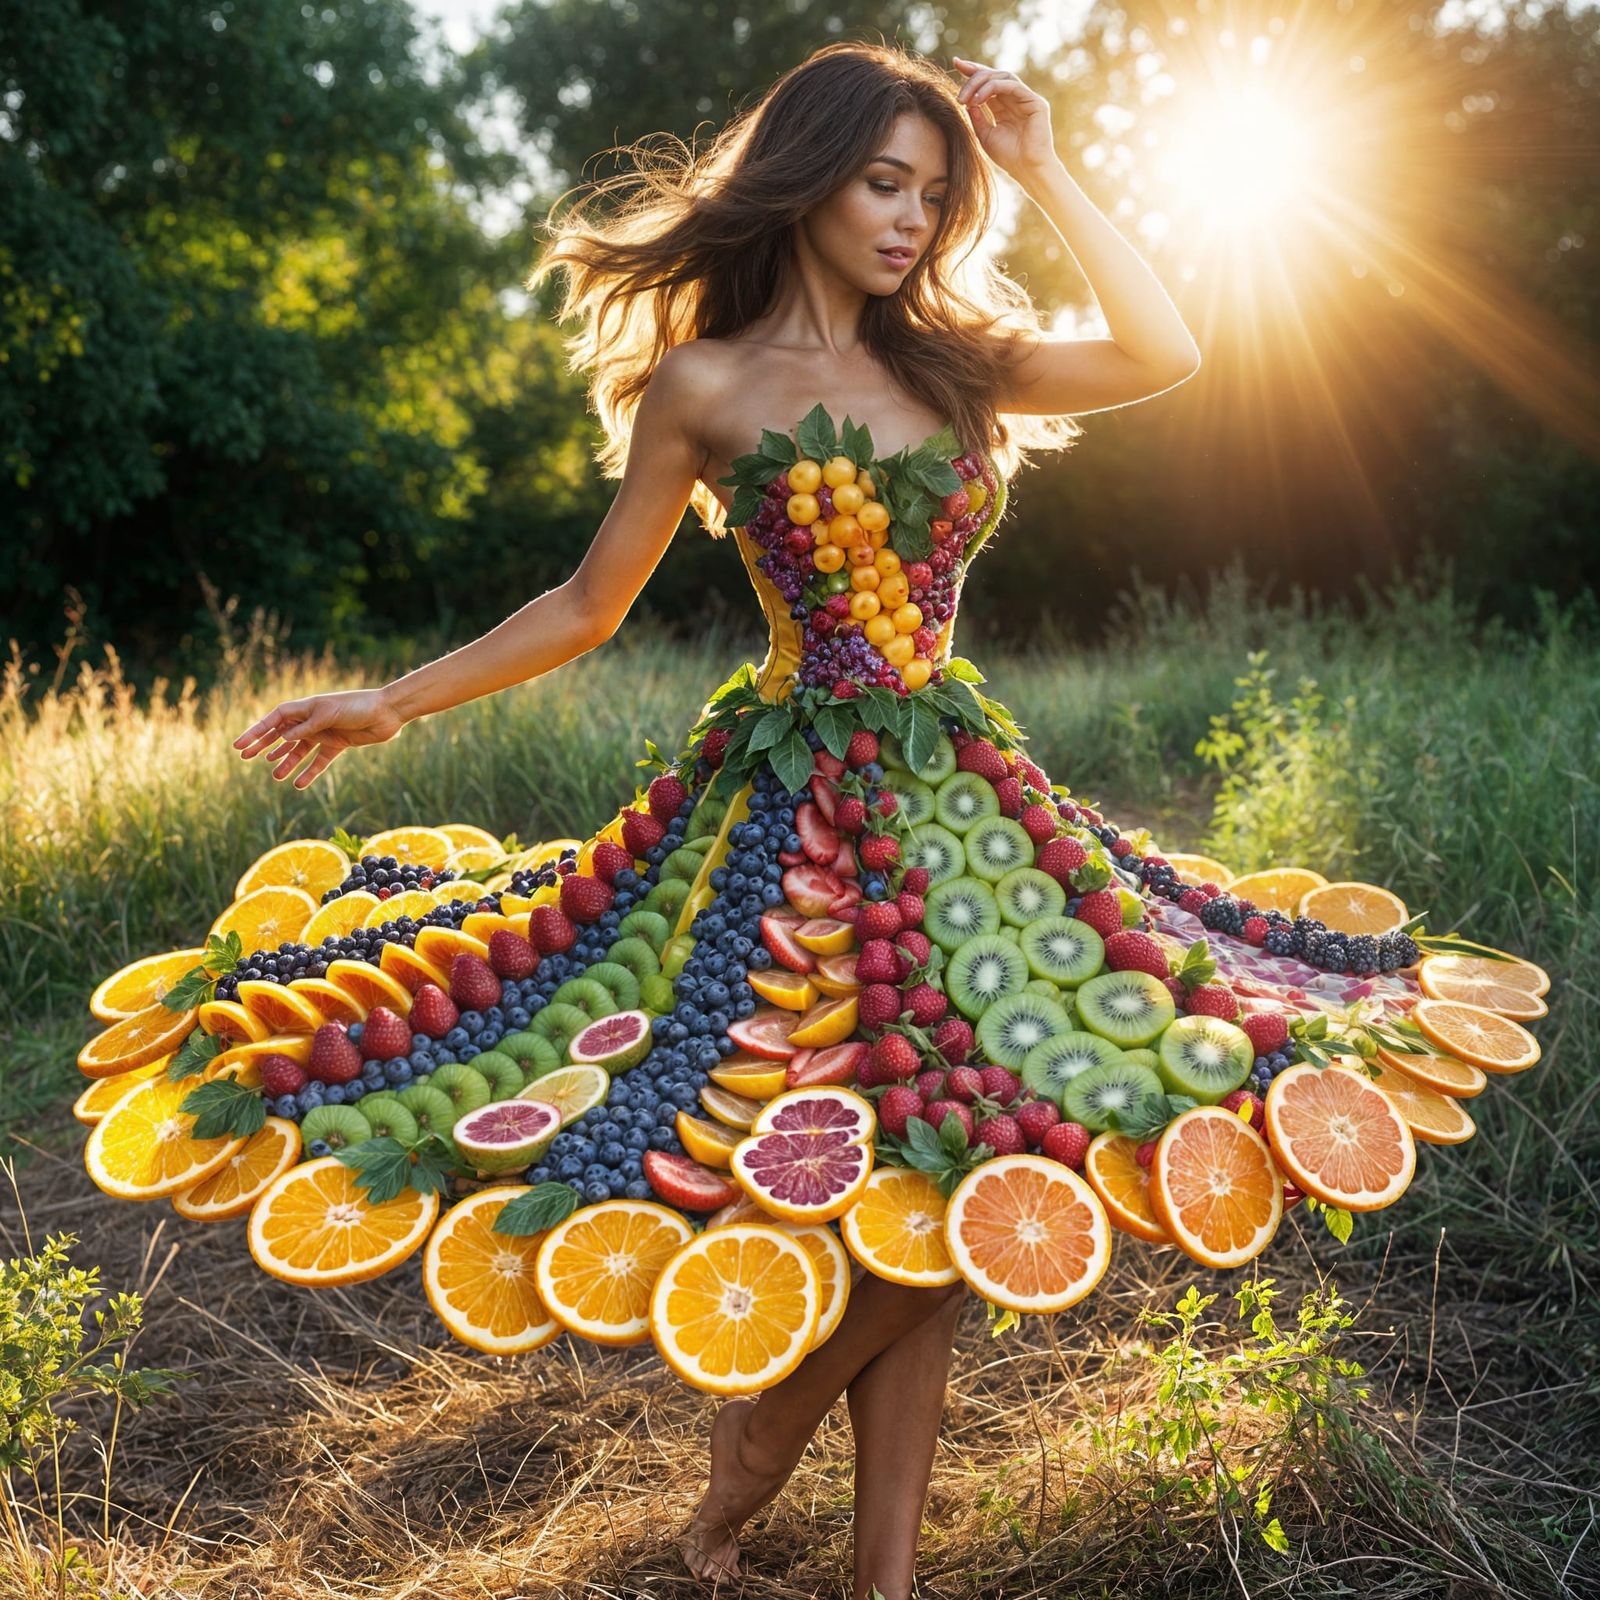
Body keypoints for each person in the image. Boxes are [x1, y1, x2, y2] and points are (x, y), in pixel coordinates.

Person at [234, 40, 1201, 1600]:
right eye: (884, 183)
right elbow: (585, 601)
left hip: (959, 803)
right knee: (896, 1157)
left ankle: (797, 1473)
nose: (910, 219)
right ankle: (794, 1485)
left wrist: (1040, 166)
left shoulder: (959, 358)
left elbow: (1166, 349)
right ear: (809, 177)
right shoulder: (708, 386)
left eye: (933, 195)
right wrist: (395, 700)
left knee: (967, 1141)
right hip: (790, 822)